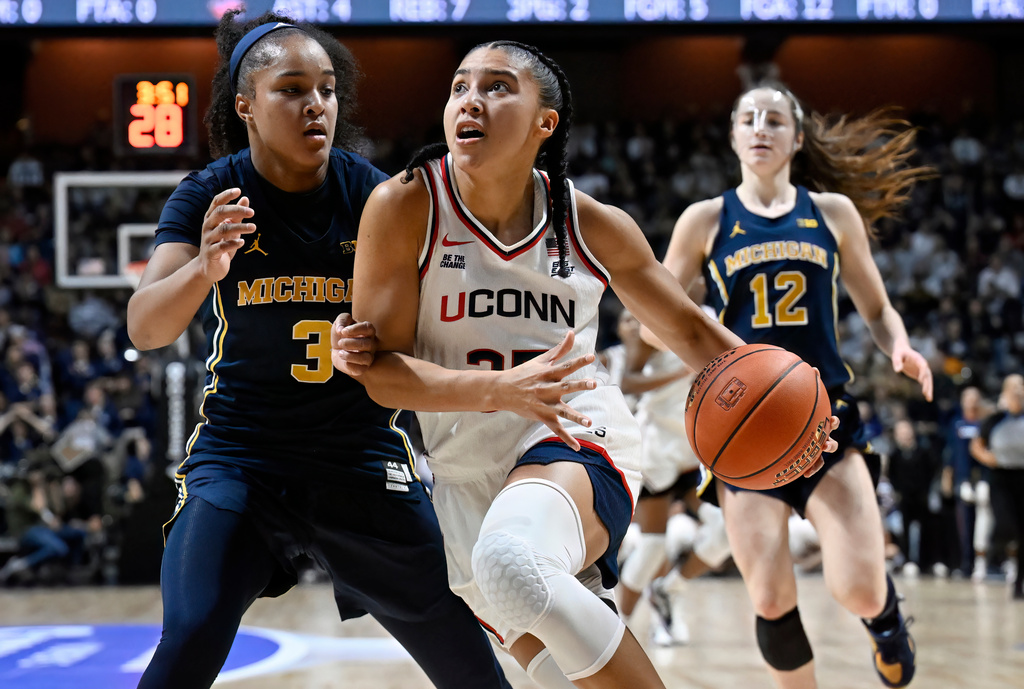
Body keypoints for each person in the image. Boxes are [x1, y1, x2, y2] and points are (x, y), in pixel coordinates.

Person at [332, 42, 836, 688]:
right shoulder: (407, 207)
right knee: (550, 642)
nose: (470, 100)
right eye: (460, 87)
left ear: (546, 121)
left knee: (512, 560)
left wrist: (802, 414)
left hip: (574, 435)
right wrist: (499, 389)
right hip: (465, 471)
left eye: (496, 86)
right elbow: (382, 375)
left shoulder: (588, 222)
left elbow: (686, 326)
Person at [125, 12, 510, 689]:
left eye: (328, 90)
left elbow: (432, 329)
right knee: (190, 631)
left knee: (469, 660)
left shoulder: (377, 196)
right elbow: (146, 328)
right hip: (243, 458)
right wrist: (204, 268)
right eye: (293, 89)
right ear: (245, 104)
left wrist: (374, 343)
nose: (317, 106)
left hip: (358, 460)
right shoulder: (209, 194)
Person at [660, 81, 933, 689]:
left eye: (775, 120)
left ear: (797, 138)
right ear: (733, 135)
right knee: (771, 595)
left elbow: (878, 308)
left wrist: (901, 346)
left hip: (825, 418)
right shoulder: (704, 220)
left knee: (858, 588)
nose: (761, 128)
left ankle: (885, 620)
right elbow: (654, 322)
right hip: (741, 422)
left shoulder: (831, 212)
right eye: (749, 118)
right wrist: (689, 320)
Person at [970, 373, 1024, 600]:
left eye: (1021, 385)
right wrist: (989, 458)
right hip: (1000, 477)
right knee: (1006, 525)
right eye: (1013, 387)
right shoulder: (995, 418)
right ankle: (999, 556)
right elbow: (976, 445)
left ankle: (1018, 582)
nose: (1018, 390)